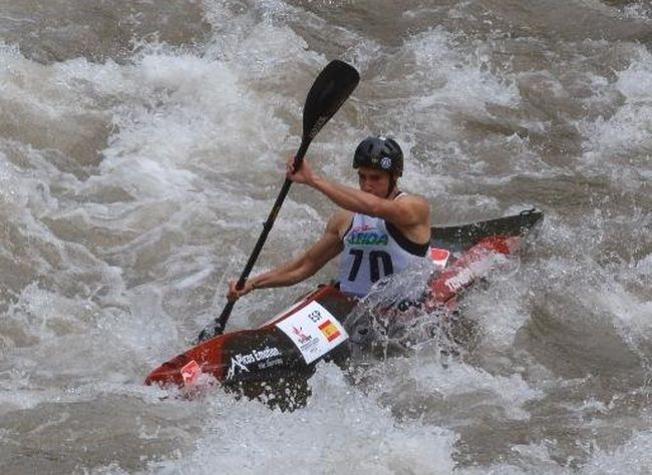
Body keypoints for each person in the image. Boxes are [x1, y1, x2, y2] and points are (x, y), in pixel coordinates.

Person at [227, 136, 432, 301]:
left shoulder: (413, 208)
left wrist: (313, 180)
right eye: (362, 176)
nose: (367, 184)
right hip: (352, 310)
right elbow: (305, 265)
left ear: (394, 177)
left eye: (376, 178)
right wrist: (252, 283)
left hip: (400, 308)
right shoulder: (345, 219)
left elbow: (375, 207)